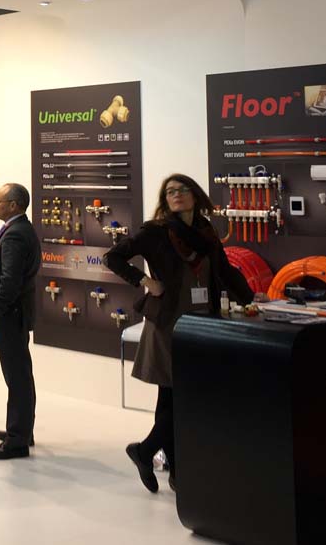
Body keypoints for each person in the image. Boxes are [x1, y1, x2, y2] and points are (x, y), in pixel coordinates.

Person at [104, 173, 253, 492]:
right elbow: (112, 257)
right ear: (165, 199)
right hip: (168, 323)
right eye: (170, 191)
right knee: (183, 393)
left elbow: (224, 271)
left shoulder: (206, 232)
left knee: (171, 396)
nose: (177, 194)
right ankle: (146, 452)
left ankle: (173, 471)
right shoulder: (155, 231)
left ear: (195, 195)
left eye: (183, 189)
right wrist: (145, 282)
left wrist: (250, 299)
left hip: (201, 320)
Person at [0, 182, 40, 459]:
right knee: (20, 373)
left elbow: (10, 281)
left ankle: (17, 440)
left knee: (17, 376)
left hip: (10, 315)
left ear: (13, 205)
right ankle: (22, 430)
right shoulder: (21, 229)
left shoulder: (15, 235)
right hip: (15, 314)